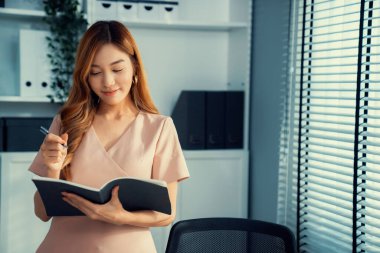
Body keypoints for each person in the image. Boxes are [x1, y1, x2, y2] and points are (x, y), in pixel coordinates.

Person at [29, 20, 190, 253]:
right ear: (85, 76)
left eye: (117, 69)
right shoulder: (66, 122)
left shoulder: (160, 128)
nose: (108, 82)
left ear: (134, 66)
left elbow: (166, 214)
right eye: (95, 72)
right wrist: (52, 169)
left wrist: (120, 217)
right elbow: (41, 213)